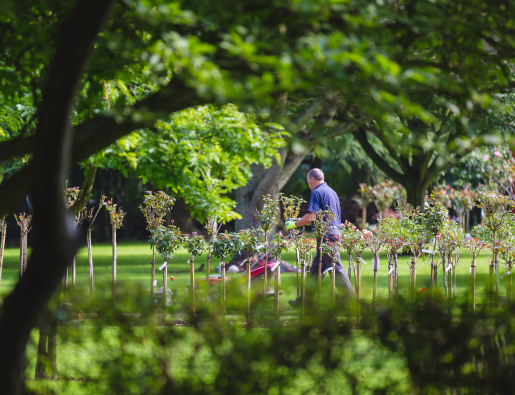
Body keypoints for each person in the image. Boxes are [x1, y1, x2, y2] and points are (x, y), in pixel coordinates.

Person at [286, 168, 355, 307]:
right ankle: (305, 301)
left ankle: (353, 302)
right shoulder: (332, 192)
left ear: (312, 179)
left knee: (336, 267)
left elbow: (311, 215)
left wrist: (295, 224)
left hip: (327, 234)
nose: (309, 186)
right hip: (334, 232)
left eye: (308, 183)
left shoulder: (317, 192)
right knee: (316, 269)